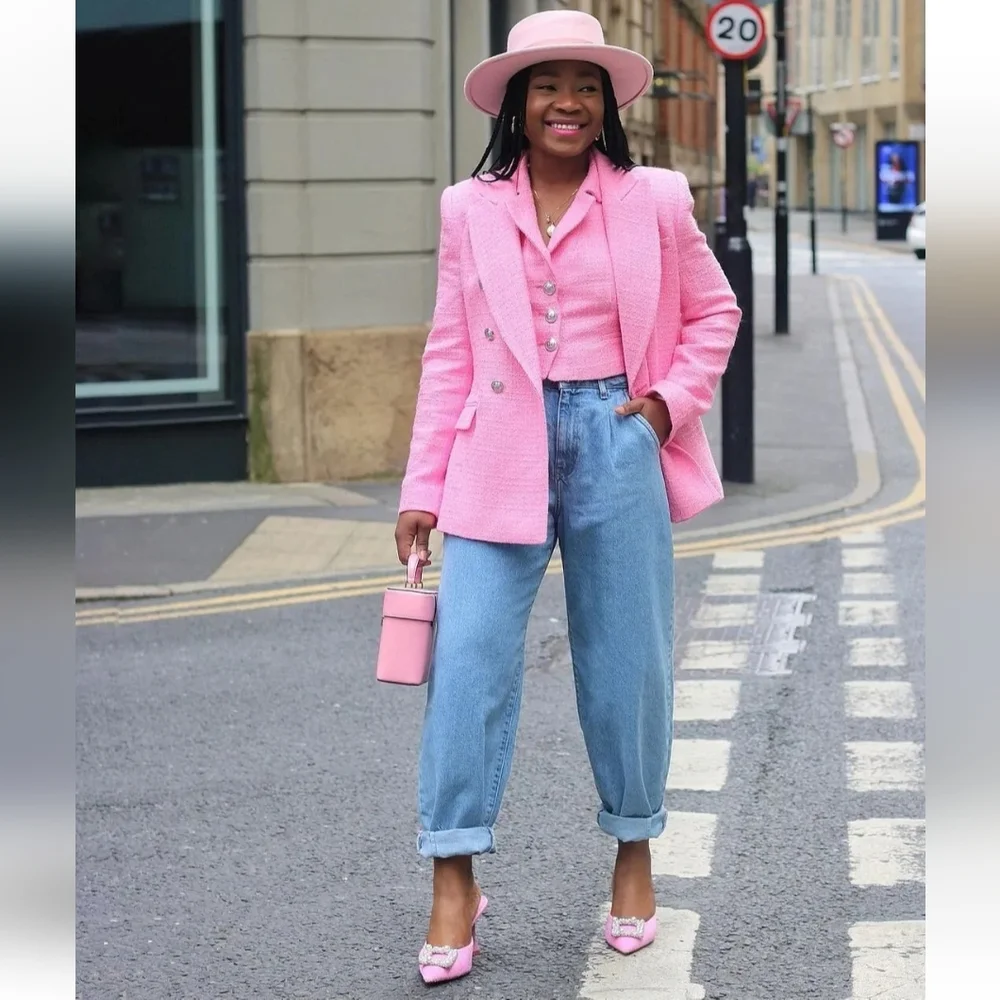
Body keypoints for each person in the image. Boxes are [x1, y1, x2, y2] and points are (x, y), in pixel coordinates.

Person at [393, 10, 741, 985]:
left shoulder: (653, 198)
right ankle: (453, 875)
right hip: (494, 447)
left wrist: (666, 405)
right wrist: (422, 485)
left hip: (615, 436)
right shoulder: (467, 208)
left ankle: (634, 851)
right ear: (517, 101)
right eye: (547, 84)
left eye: (585, 85)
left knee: (627, 662)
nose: (567, 102)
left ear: (605, 104)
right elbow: (450, 350)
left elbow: (713, 312)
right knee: (466, 663)